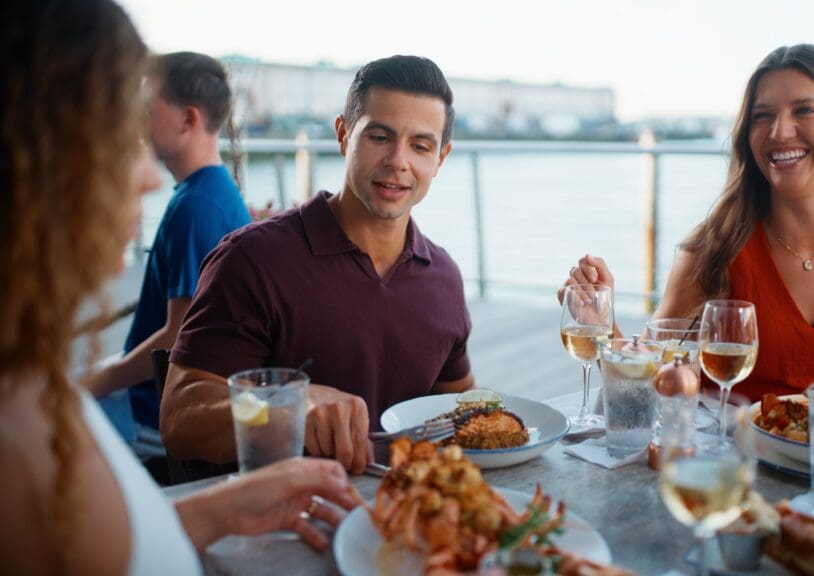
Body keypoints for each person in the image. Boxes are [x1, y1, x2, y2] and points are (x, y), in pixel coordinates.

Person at [0, 2, 357, 573]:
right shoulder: (17, 450)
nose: (144, 175)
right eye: (119, 131)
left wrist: (220, 508)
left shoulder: (30, 397)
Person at [562, 45, 814, 413]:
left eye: (804, 110)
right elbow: (643, 387)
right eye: (762, 115)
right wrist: (601, 326)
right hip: (732, 466)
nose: (780, 130)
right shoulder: (713, 249)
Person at [162, 55, 475, 474]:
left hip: (402, 520)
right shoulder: (252, 259)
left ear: (441, 158)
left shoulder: (444, 278)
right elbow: (180, 420)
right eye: (380, 137)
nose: (399, 161)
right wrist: (290, 408)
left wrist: (589, 325)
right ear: (344, 134)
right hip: (277, 520)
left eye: (421, 146)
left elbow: (459, 411)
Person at [90, 51, 252, 449]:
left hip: (149, 412)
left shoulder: (197, 208)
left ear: (189, 119)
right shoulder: (213, 195)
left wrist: (95, 381)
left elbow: (178, 334)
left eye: (146, 107)